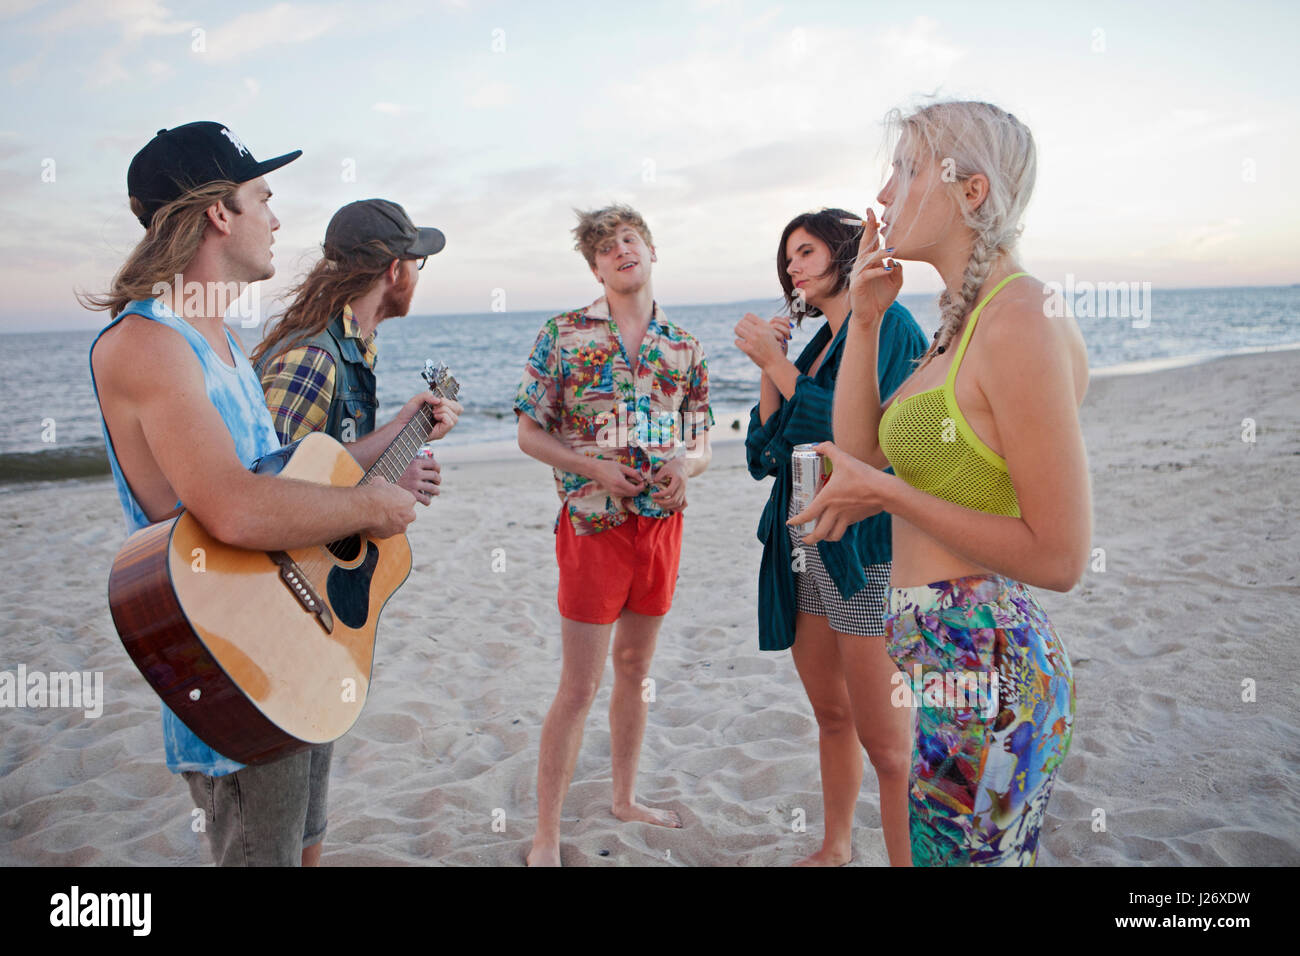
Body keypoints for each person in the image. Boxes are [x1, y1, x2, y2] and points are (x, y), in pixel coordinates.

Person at [82, 122, 418, 867]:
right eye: (263, 197)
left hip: (297, 631)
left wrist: (395, 436)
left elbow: (277, 474)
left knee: (306, 846)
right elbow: (230, 506)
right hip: (230, 657)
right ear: (217, 214)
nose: (277, 217)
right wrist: (371, 509)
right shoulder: (148, 344)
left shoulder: (225, 341)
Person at [793, 101, 1086, 866]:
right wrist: (862, 319)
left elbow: (1059, 558)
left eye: (908, 168)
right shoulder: (960, 321)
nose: (884, 195)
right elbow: (859, 451)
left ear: (972, 191)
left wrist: (886, 496)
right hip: (948, 656)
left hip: (986, 659)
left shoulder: (1019, 315)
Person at [514, 203, 712, 866]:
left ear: (650, 250)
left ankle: (625, 798)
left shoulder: (683, 345)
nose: (621, 250)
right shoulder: (563, 335)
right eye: (606, 248)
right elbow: (528, 432)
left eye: (630, 239)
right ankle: (545, 834)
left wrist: (688, 465)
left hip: (660, 528)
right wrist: (591, 466)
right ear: (596, 267)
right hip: (593, 527)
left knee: (636, 669)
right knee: (579, 686)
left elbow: (703, 437)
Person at [736, 208, 927, 866]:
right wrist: (773, 364)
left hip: (863, 549)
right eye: (787, 256)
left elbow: (857, 442)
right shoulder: (818, 345)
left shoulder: (890, 328)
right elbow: (765, 450)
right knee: (832, 714)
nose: (793, 266)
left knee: (889, 745)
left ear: (845, 252)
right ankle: (836, 846)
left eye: (807, 251)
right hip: (804, 547)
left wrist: (774, 363)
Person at [252, 198, 459, 505]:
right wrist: (382, 484)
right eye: (417, 261)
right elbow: (268, 490)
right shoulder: (313, 357)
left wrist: (391, 457)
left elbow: (327, 460)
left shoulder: (355, 345)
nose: (417, 274)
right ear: (394, 271)